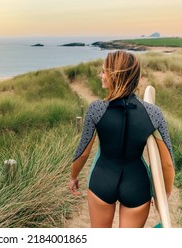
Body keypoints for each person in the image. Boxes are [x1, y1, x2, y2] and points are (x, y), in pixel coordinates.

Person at [69, 50, 175, 228]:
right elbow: (168, 164)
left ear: (114, 75)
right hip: (137, 185)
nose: (100, 75)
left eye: (103, 71)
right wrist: (163, 194)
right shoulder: (153, 113)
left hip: (102, 180)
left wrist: (73, 176)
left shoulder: (96, 109)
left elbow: (83, 152)